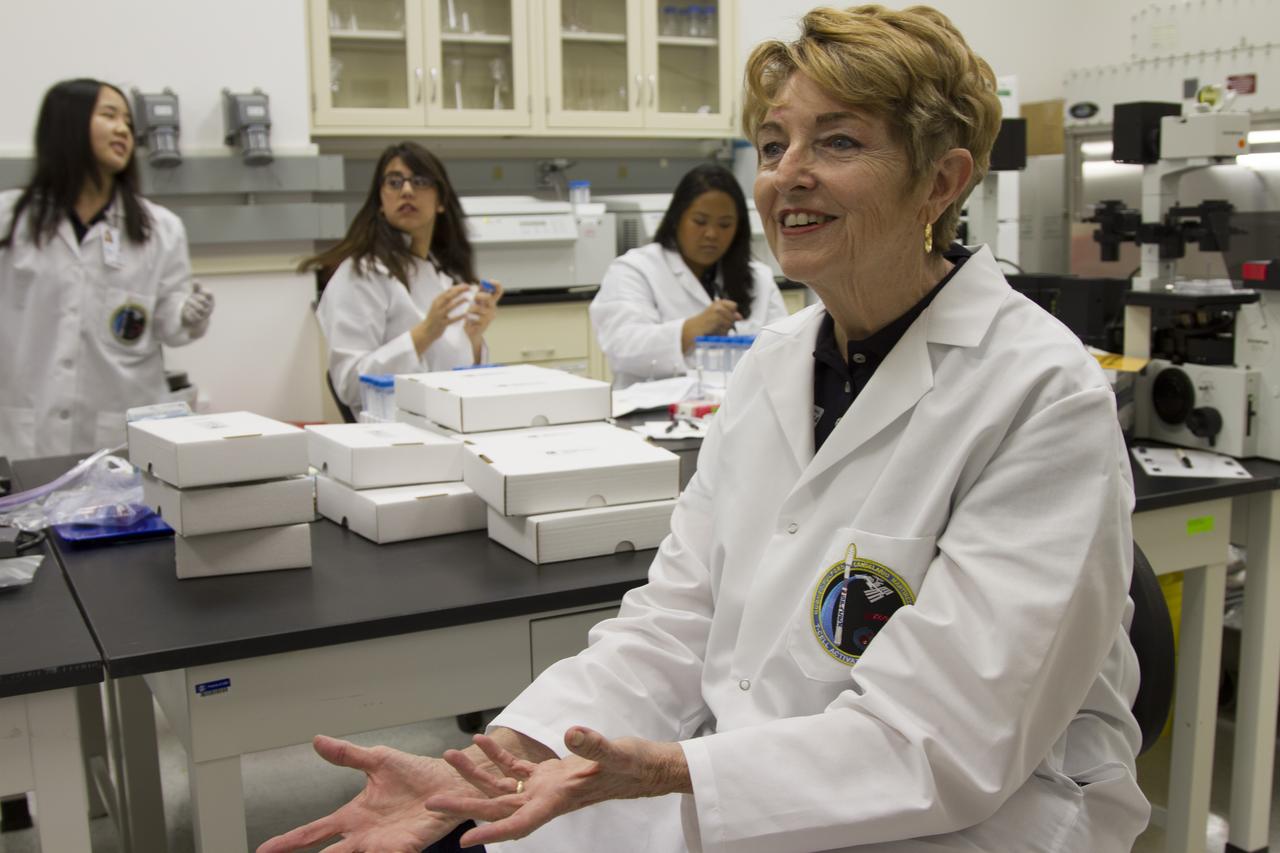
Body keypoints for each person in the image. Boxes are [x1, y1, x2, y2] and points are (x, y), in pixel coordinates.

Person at [260, 6, 1147, 852]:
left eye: (836, 140)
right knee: (472, 834)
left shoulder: (1040, 392)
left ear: (943, 179)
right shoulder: (773, 366)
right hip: (754, 767)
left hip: (973, 816)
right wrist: (508, 756)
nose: (784, 173)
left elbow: (944, 740)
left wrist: (681, 768)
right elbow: (674, 624)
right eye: (772, 143)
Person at [0, 78, 213, 460]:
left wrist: (187, 315)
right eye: (109, 115)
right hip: (24, 431)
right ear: (67, 124)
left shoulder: (158, 228)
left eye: (128, 123)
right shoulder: (9, 219)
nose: (123, 130)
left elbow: (168, 325)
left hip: (119, 433)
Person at [307, 141, 502, 416]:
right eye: (394, 182)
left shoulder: (445, 276)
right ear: (381, 202)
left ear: (441, 202)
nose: (407, 191)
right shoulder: (361, 274)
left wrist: (474, 338)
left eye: (420, 181)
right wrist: (424, 334)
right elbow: (350, 386)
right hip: (394, 436)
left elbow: (461, 383)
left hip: (451, 423)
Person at [589, 162, 788, 387]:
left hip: (736, 407)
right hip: (654, 409)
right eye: (700, 221)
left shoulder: (758, 278)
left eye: (725, 224)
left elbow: (783, 349)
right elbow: (622, 348)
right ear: (677, 218)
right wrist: (692, 329)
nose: (711, 234)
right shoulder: (635, 269)